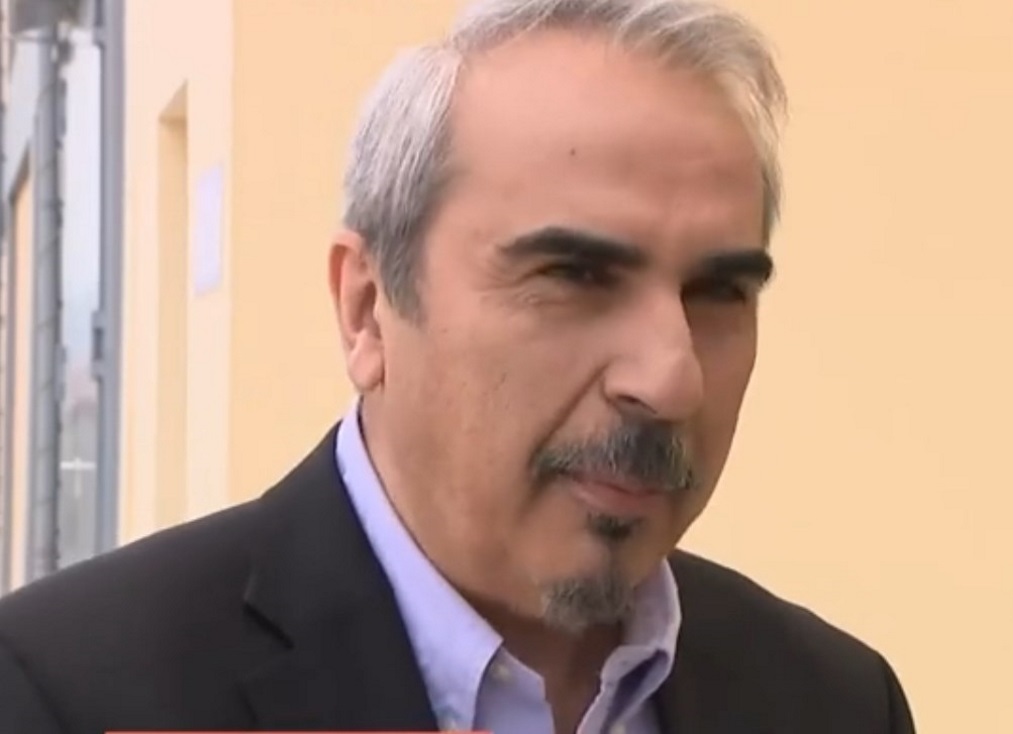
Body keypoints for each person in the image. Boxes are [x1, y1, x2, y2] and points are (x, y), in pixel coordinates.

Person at [0, 0, 915, 732]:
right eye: (575, 277)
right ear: (367, 309)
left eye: (719, 292)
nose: (671, 379)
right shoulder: (71, 693)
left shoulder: (834, 703)